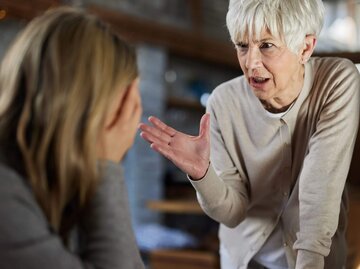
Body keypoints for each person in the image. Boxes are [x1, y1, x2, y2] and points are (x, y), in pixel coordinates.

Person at [139, 0, 360, 268]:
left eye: (266, 45)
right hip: (246, 260)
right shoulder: (222, 102)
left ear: (305, 47)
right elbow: (232, 213)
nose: (250, 62)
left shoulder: (337, 81)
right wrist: (202, 174)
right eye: (242, 46)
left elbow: (320, 188)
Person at [0, 6, 144, 269]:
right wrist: (108, 166)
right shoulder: (5, 191)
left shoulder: (54, 176)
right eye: (122, 106)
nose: (129, 124)